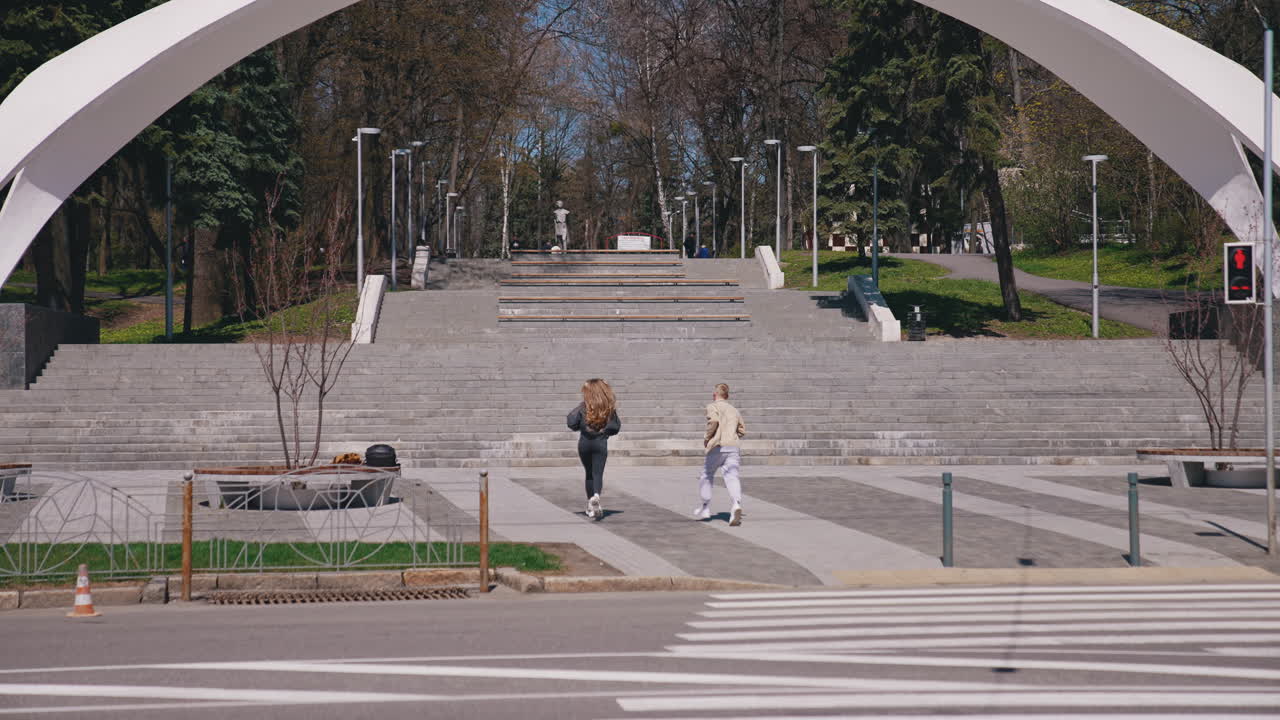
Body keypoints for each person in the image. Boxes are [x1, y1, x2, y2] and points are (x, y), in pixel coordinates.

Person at [567, 378, 621, 520]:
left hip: (584, 444)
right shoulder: (608, 408)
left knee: (589, 473)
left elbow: (571, 422)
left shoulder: (583, 407)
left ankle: (591, 506)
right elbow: (616, 427)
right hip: (600, 443)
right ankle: (596, 496)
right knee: (598, 473)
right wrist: (605, 431)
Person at [693, 383, 746, 526]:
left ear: (714, 395)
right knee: (732, 476)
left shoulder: (712, 406)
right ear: (727, 396)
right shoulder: (734, 410)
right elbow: (742, 430)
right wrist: (732, 435)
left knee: (706, 475)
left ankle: (705, 507)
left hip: (717, 446)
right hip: (733, 447)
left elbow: (714, 421)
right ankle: (736, 504)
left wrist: (707, 438)